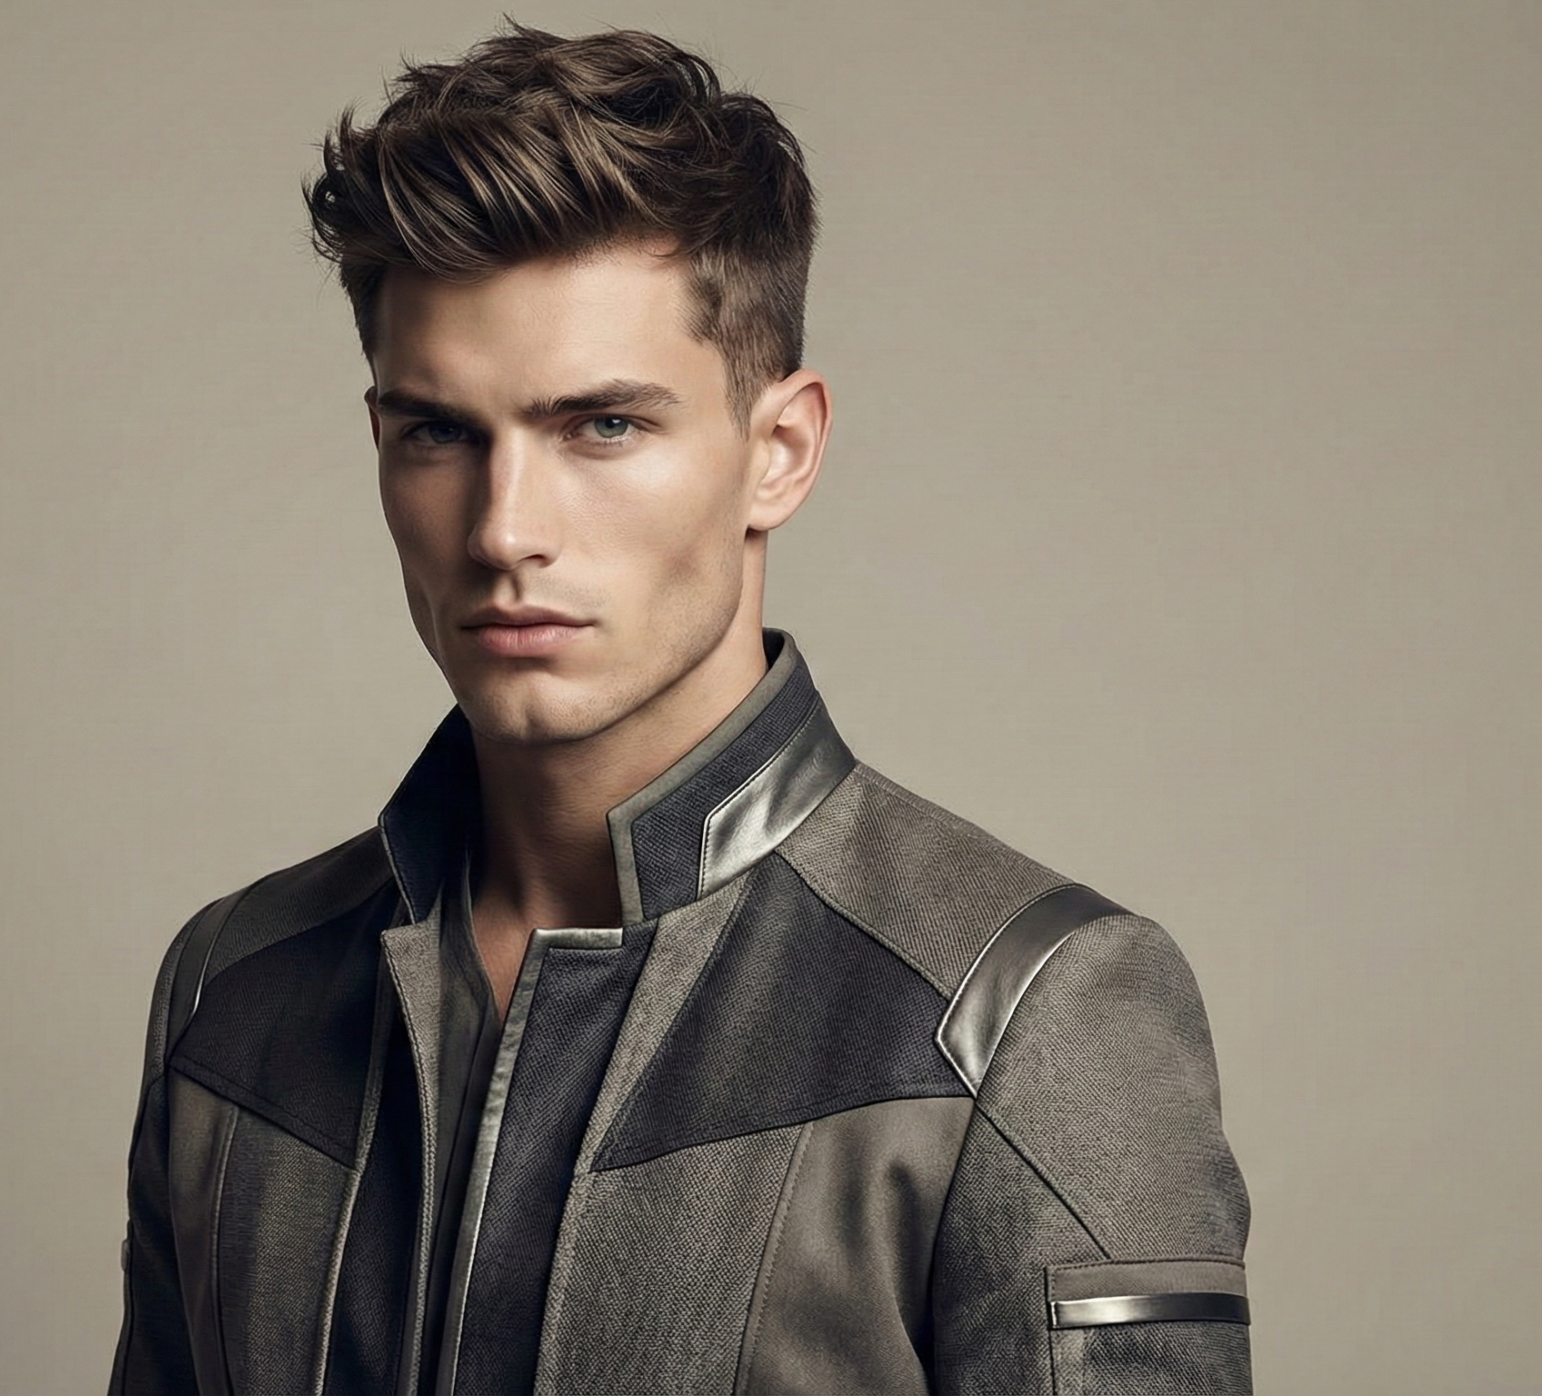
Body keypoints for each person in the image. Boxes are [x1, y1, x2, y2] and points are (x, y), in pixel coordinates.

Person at [110, 22, 1251, 1396]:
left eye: (604, 426)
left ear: (781, 450)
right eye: (439, 433)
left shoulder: (1024, 1015)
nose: (505, 530)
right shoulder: (233, 989)